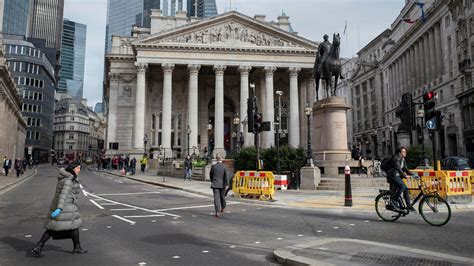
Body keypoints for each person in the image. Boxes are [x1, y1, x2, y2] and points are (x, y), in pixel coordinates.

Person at [31, 161, 87, 257]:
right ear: (72, 169)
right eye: (77, 168)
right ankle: (38, 247)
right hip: (65, 207)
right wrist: (59, 208)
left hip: (67, 207)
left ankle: (77, 247)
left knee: (70, 227)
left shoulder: (66, 178)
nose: (79, 170)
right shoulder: (69, 180)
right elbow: (63, 195)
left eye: (79, 168)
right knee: (53, 228)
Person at [386, 146, 416, 212]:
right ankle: (394, 200)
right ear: (399, 153)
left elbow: (405, 168)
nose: (405, 153)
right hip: (392, 176)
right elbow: (399, 169)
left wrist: (413, 175)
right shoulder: (396, 159)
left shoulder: (403, 159)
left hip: (397, 176)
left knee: (406, 189)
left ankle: (409, 206)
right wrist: (405, 176)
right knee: (402, 186)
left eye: (405, 152)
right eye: (403, 152)